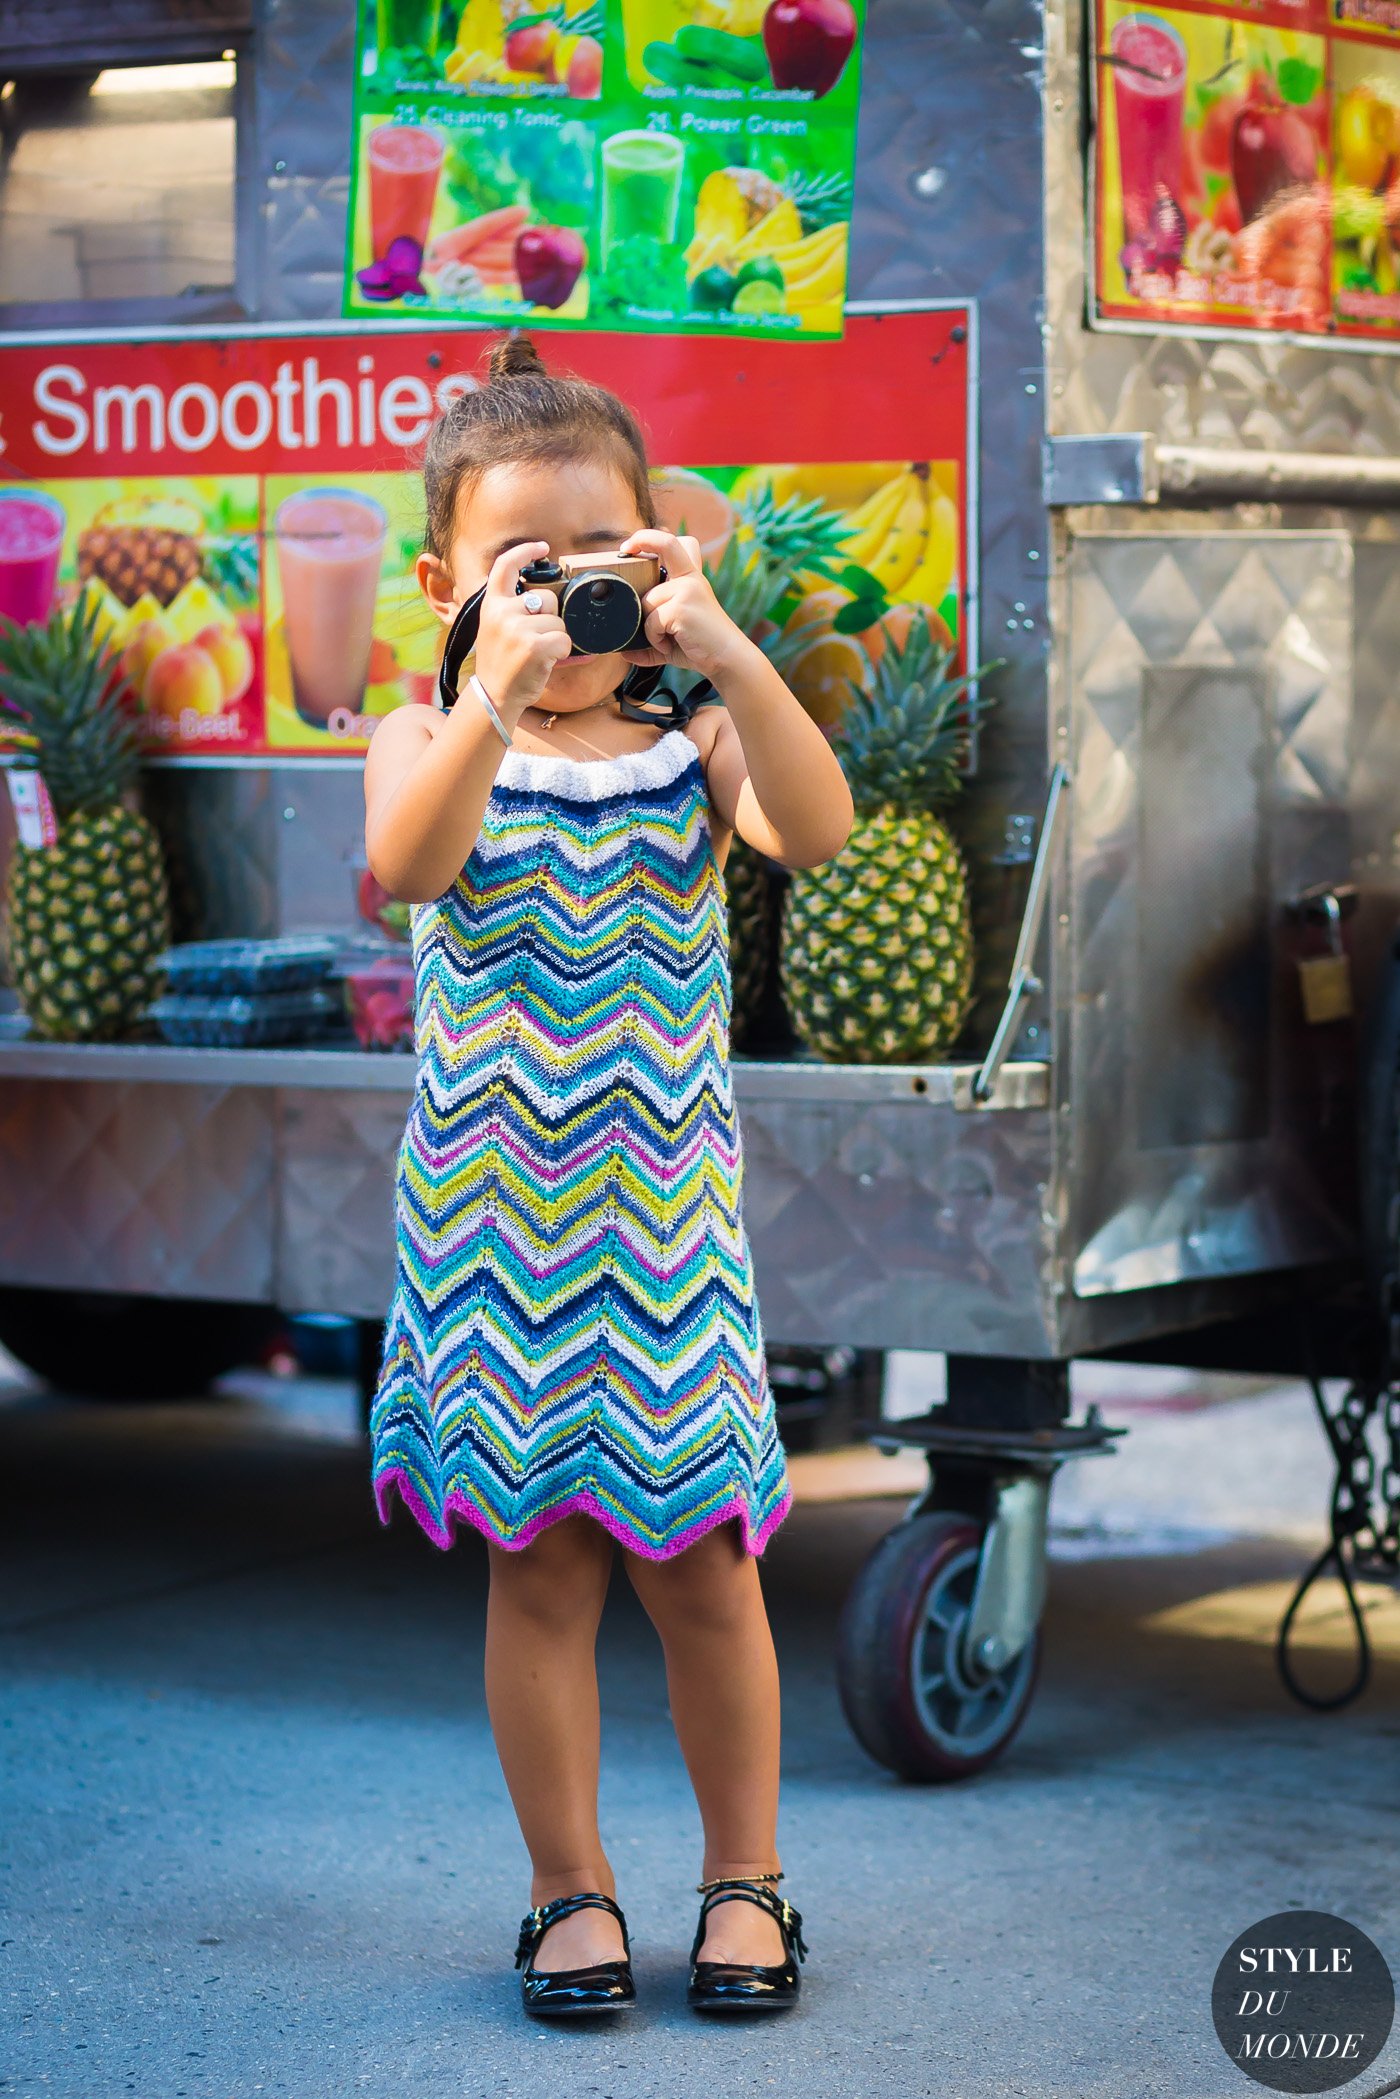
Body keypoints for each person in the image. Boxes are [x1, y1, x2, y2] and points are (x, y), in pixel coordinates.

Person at [362, 332, 853, 2019]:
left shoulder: (693, 740)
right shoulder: (428, 742)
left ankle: (750, 1879)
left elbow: (819, 828)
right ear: (444, 584)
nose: (566, 596)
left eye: (603, 560)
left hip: (662, 1254)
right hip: (493, 1252)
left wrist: (721, 643)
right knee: (540, 1568)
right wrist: (489, 694)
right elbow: (404, 864)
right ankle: (568, 1890)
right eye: (522, 568)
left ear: (655, 557)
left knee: (705, 1571)